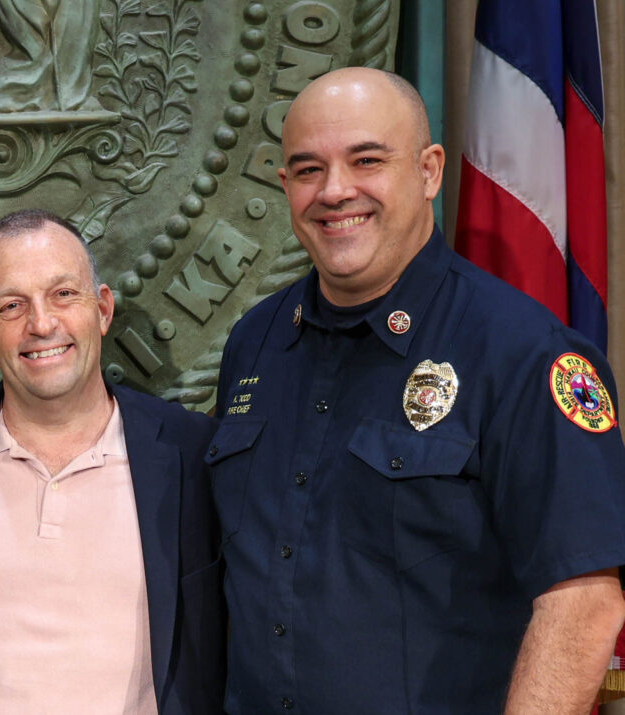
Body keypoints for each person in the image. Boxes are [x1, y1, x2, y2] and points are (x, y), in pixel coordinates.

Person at [210, 67, 625, 713]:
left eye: (366, 159)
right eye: (309, 169)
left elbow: (584, 599)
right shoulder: (256, 342)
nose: (336, 190)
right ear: (285, 186)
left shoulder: (524, 353)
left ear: (429, 171)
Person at [0, 209, 225, 714]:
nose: (41, 324)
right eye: (12, 306)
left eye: (64, 294)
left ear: (102, 309)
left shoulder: (193, 452)